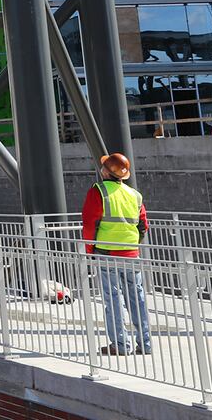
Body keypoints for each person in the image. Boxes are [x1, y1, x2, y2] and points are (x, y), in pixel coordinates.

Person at [82, 152, 151, 355]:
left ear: (105, 171)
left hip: (107, 253)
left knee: (113, 298)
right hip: (131, 254)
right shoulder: (134, 195)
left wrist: (90, 251)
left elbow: (89, 224)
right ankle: (145, 344)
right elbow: (143, 225)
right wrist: (132, 245)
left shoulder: (99, 191)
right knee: (136, 297)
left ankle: (121, 345)